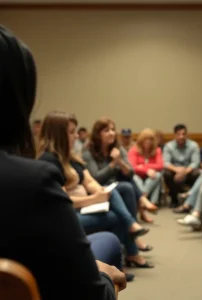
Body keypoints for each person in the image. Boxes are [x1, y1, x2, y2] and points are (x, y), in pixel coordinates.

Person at [0, 25, 126, 300]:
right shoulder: (33, 179)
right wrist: (103, 275)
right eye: (70, 131)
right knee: (109, 242)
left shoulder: (67, 162)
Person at [38, 111, 153, 268]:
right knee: (118, 216)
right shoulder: (49, 161)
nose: (76, 136)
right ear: (58, 135)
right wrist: (94, 198)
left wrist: (102, 193)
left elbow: (90, 180)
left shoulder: (70, 156)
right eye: (72, 132)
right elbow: (62, 199)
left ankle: (122, 255)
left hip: (85, 206)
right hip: (69, 216)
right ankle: (115, 261)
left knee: (123, 188)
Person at [83, 118, 157, 224]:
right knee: (127, 186)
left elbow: (131, 172)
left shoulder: (117, 148)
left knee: (128, 179)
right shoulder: (88, 151)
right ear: (98, 134)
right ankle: (134, 220)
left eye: (113, 130)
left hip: (116, 182)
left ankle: (134, 220)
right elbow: (96, 178)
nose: (112, 133)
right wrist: (113, 164)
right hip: (99, 186)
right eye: (107, 131)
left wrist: (119, 161)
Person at [163, 123, 200, 208]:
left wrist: (184, 172)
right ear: (175, 135)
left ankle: (191, 199)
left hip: (189, 172)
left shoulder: (193, 145)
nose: (181, 137)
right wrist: (177, 170)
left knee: (197, 173)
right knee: (166, 173)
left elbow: (195, 162)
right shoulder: (169, 146)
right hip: (174, 172)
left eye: (183, 134)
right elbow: (165, 162)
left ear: (187, 134)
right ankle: (174, 198)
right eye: (178, 134)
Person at [128, 128, 164, 205]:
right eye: (145, 139)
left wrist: (143, 166)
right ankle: (150, 202)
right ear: (141, 140)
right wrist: (146, 171)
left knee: (157, 175)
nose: (148, 141)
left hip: (151, 176)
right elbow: (132, 167)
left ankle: (144, 198)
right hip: (138, 175)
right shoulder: (134, 150)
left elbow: (160, 166)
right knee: (134, 178)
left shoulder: (157, 150)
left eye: (150, 139)